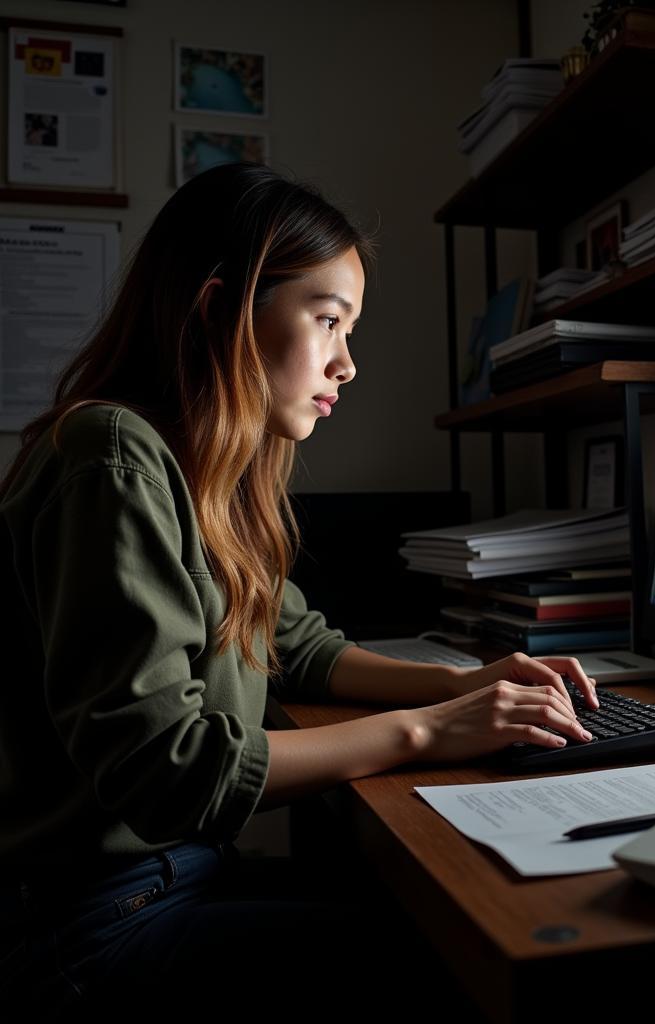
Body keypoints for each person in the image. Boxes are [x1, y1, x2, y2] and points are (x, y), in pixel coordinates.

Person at [0, 164, 598, 1019]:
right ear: (221, 311)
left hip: (170, 882)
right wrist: (427, 731)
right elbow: (168, 771)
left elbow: (302, 647)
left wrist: (462, 684)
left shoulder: (203, 474)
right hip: (93, 926)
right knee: (470, 959)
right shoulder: (111, 458)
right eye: (328, 322)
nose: (346, 364)